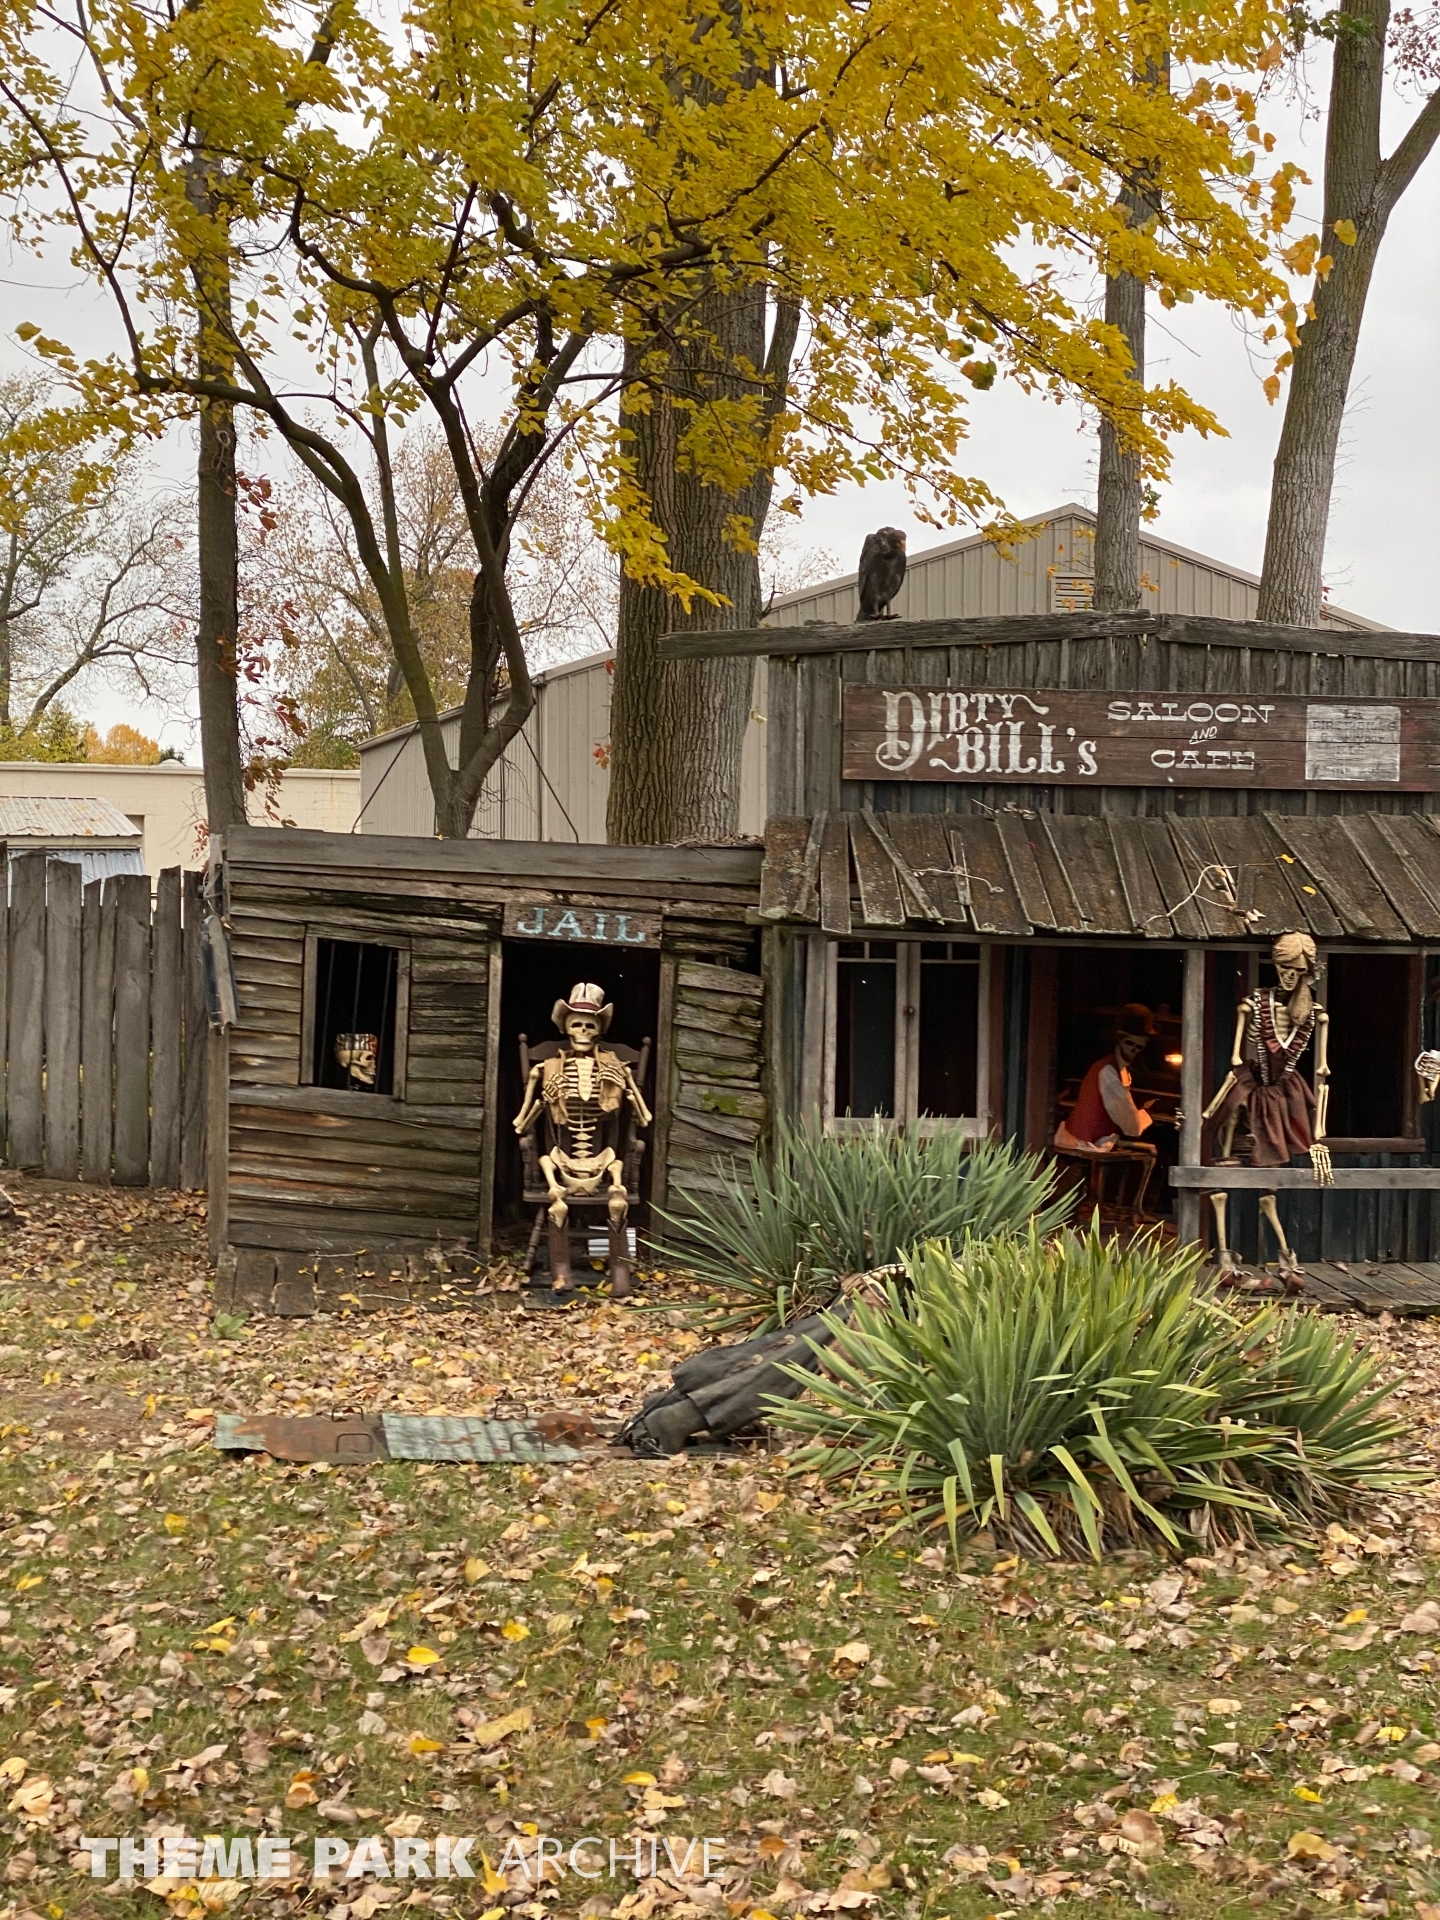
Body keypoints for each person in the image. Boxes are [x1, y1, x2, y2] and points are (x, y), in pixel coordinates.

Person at [1055, 1002, 1158, 1215]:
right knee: (1151, 1151)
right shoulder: (1109, 1072)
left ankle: (1119, 1206)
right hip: (1087, 1140)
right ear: (1118, 1039)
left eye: (1139, 1048)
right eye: (1130, 1044)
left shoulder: (1115, 1069)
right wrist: (1147, 1114)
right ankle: (1133, 1211)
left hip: (1093, 1135)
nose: (1133, 1051)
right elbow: (1131, 1127)